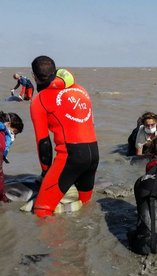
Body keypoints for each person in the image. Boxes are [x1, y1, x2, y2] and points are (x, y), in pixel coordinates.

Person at [30, 55, 99, 217]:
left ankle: (59, 243)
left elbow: (43, 143)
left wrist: (46, 172)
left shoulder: (39, 100)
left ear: (34, 76)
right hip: (94, 154)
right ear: (56, 71)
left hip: (71, 156)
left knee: (42, 211)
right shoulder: (81, 90)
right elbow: (90, 123)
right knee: (85, 206)